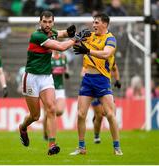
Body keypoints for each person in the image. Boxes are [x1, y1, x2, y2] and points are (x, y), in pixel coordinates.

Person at [19, 10, 90, 155]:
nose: (47, 24)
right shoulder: (37, 35)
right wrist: (76, 38)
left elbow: (62, 33)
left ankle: (52, 145)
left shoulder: (51, 31)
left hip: (45, 77)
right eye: (44, 22)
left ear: (53, 22)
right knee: (35, 116)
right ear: (40, 22)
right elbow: (62, 47)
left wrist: (69, 32)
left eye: (50, 22)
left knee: (51, 109)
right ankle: (22, 127)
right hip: (31, 77)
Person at [70, 13, 123, 155]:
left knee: (110, 114)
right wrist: (76, 36)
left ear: (105, 24)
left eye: (97, 23)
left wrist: (87, 50)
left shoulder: (110, 39)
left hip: (102, 80)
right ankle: (81, 147)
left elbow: (106, 54)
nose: (94, 25)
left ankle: (117, 147)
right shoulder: (90, 35)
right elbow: (73, 44)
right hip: (87, 79)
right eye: (93, 22)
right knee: (81, 114)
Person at [91, 63, 121, 144]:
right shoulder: (93, 58)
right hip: (95, 90)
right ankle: (96, 136)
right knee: (99, 116)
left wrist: (117, 80)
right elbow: (84, 71)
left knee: (111, 114)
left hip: (106, 90)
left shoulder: (110, 58)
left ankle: (116, 142)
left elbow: (115, 69)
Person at [43, 50, 70, 140]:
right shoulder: (48, 57)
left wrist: (67, 73)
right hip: (49, 87)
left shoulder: (63, 57)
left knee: (59, 111)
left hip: (60, 88)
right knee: (49, 112)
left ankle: (47, 128)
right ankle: (46, 133)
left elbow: (66, 69)